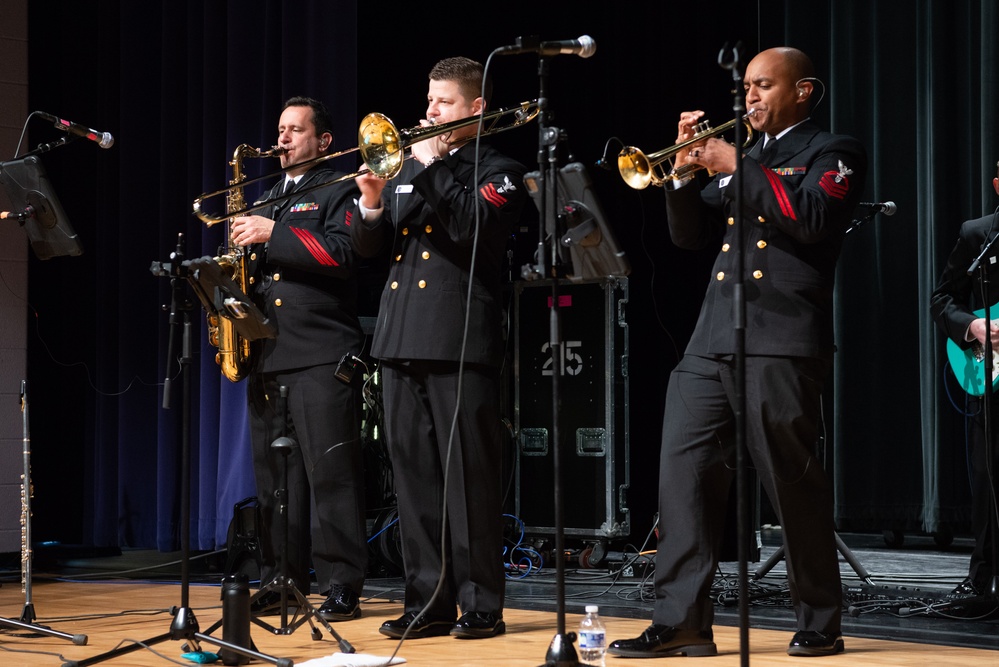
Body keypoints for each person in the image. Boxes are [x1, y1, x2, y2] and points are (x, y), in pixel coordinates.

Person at [608, 47, 867, 658]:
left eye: (763, 86)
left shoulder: (833, 152)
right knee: (684, 479)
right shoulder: (748, 159)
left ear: (804, 90)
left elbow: (807, 219)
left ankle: (820, 617)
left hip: (779, 340)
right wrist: (680, 173)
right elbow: (688, 235)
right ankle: (684, 622)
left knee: (790, 483)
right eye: (746, 87)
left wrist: (734, 165)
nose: (749, 98)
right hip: (712, 339)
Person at [350, 56, 527, 640]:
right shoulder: (410, 167)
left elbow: (472, 226)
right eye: (428, 101)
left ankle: (481, 604)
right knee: (415, 483)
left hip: (459, 340)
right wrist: (373, 202)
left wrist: (428, 168)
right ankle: (427, 601)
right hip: (400, 337)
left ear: (476, 109)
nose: (429, 112)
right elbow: (372, 250)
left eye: (443, 103)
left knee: (468, 481)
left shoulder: (498, 168)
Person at [230, 96, 367, 622]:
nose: (282, 138)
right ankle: (280, 577)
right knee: (274, 479)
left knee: (330, 475)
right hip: (268, 351)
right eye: (280, 128)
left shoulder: (338, 188)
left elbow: (345, 253)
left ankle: (341, 585)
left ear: (323, 140)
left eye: (295, 130)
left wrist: (274, 234)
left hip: (321, 352)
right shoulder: (265, 197)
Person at [929, 160, 999, 598]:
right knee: (989, 479)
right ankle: (984, 579)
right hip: (991, 375)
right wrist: (972, 326)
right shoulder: (980, 233)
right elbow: (942, 298)